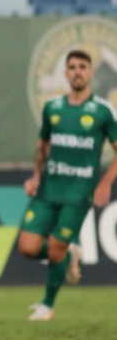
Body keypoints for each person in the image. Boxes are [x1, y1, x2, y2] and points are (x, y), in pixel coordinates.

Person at [18, 49, 117, 321]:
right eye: (72, 67)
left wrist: (105, 182)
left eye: (82, 67)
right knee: (27, 247)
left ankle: (47, 306)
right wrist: (36, 177)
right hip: (49, 188)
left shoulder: (102, 111)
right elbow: (43, 146)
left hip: (78, 192)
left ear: (91, 73)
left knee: (54, 249)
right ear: (65, 73)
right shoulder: (53, 107)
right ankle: (69, 251)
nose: (77, 71)